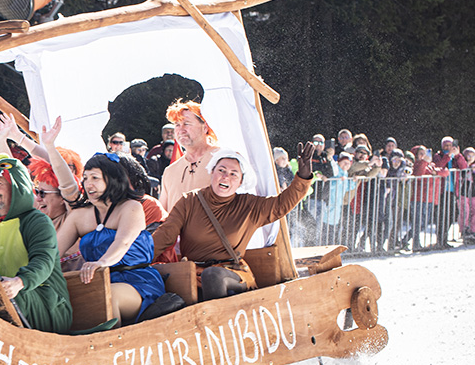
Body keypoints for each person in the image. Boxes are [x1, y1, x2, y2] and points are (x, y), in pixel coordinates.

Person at [147, 145, 315, 301]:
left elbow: (281, 204)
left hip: (233, 273)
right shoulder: (189, 201)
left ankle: (220, 325)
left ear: (240, 181)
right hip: (193, 274)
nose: (226, 176)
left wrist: (303, 176)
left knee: (212, 276)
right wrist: (135, 261)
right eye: (221, 170)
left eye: (233, 173)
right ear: (212, 172)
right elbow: (165, 235)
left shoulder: (249, 206)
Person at [0, 152, 72, 333]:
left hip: (48, 307)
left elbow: (44, 261)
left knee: (7, 297)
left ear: (16, 187)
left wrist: (20, 282)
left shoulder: (37, 221)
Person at [54, 152, 166, 324]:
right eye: (85, 178)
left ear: (112, 179)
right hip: (95, 283)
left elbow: (123, 242)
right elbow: (52, 252)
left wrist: (102, 262)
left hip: (137, 281)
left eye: (95, 177)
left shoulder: (131, 207)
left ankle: (113, 346)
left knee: (106, 296)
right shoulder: (79, 216)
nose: (88, 183)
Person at [159, 99, 221, 212]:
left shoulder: (224, 161)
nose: (180, 130)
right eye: (177, 125)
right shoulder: (170, 171)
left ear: (205, 127)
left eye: (186, 123)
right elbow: (163, 216)